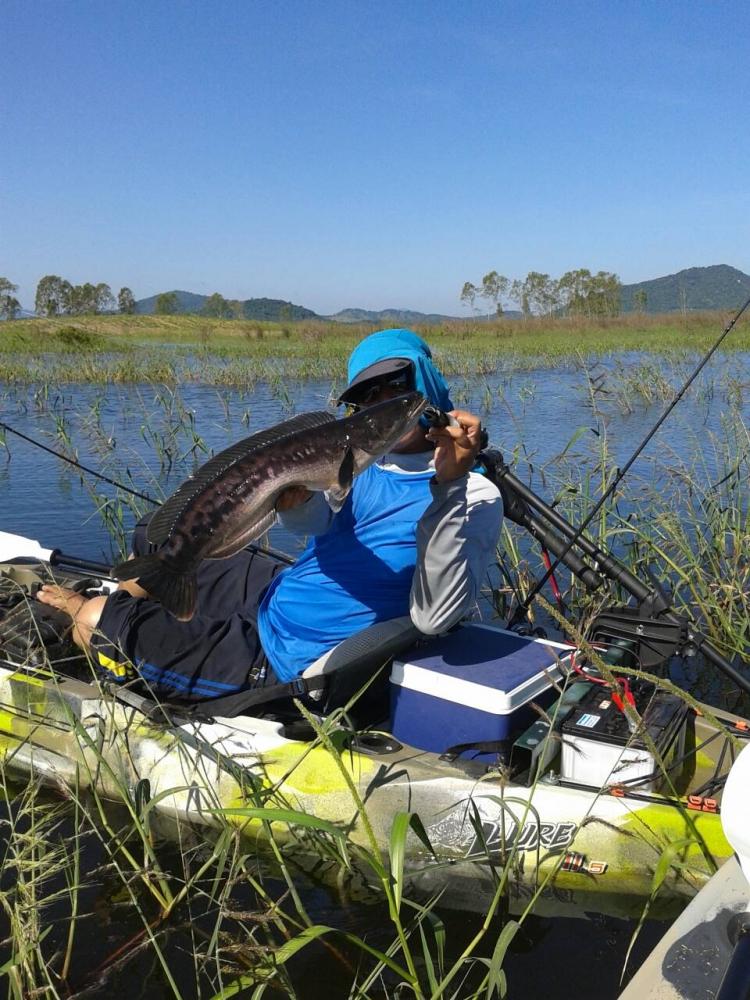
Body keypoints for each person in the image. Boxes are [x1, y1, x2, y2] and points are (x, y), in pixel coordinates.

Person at [37, 329, 503, 701]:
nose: (382, 403)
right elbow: (318, 528)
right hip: (277, 595)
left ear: (425, 384)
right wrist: (297, 503)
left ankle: (97, 609)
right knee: (157, 539)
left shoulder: (473, 495)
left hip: (281, 656)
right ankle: (146, 591)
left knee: (95, 617)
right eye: (367, 396)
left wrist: (448, 484)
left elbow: (435, 617)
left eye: (396, 388)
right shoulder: (369, 462)